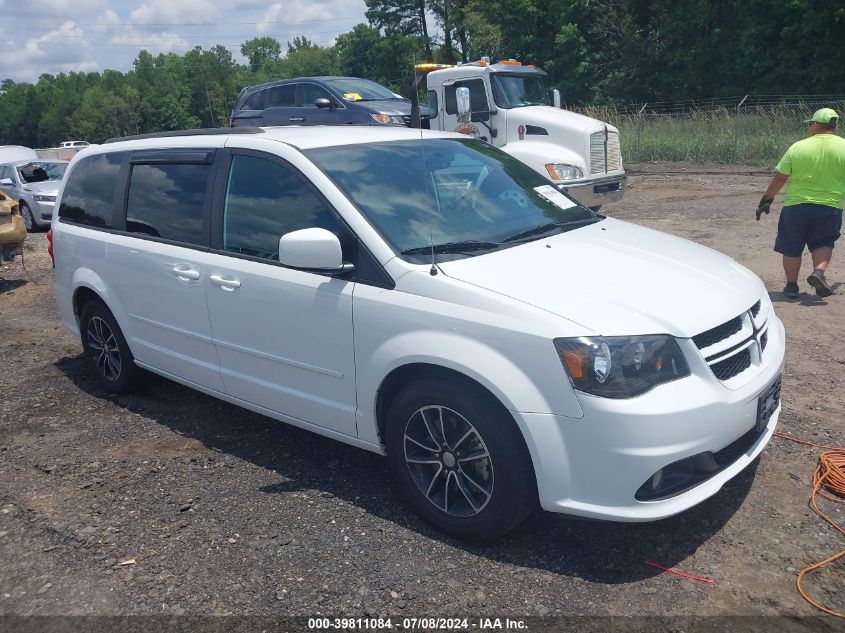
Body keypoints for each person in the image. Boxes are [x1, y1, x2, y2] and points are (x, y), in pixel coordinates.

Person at [757, 107, 845, 299]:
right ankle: (819, 273)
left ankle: (791, 286)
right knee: (824, 242)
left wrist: (767, 199)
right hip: (830, 207)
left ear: (815, 125)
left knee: (791, 245)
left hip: (796, 208)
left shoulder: (798, 147)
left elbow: (780, 178)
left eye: (810, 124)